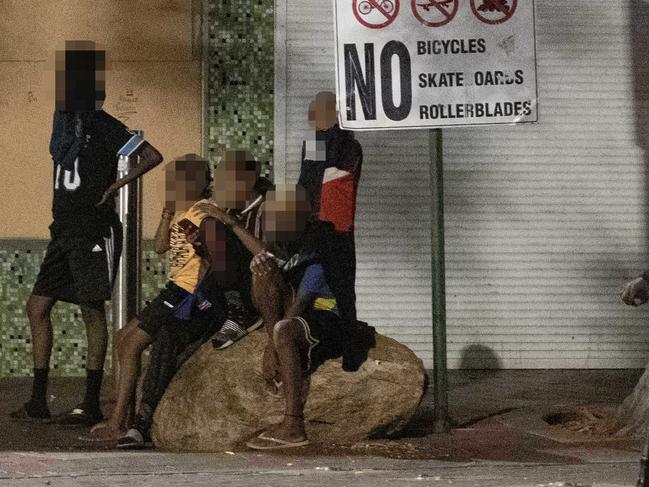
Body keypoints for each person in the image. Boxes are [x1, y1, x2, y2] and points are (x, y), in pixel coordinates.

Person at [10, 40, 164, 425]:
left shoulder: (107, 126)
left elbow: (152, 156)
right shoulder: (62, 126)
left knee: (91, 310)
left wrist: (117, 185)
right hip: (63, 229)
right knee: (37, 306)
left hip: (94, 229)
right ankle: (37, 400)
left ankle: (91, 401)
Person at [87, 151, 262, 443]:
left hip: (186, 291)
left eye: (176, 182)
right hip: (173, 288)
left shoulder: (201, 211)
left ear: (194, 183)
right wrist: (167, 214)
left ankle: (119, 420)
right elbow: (158, 247)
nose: (171, 188)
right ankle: (121, 413)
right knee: (122, 338)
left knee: (131, 344)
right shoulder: (183, 212)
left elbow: (206, 257)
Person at [203, 185, 374, 450]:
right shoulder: (287, 242)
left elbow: (301, 306)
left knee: (285, 330)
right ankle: (277, 341)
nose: (272, 224)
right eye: (269, 217)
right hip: (297, 310)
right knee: (261, 269)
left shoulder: (322, 246)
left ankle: (293, 424)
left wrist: (272, 349)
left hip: (327, 315)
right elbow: (265, 259)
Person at [298, 90, 365, 370]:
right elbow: (307, 179)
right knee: (318, 288)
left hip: (334, 226)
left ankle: (351, 350)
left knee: (341, 289)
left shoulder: (347, 145)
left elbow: (328, 175)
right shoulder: (319, 142)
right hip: (320, 225)